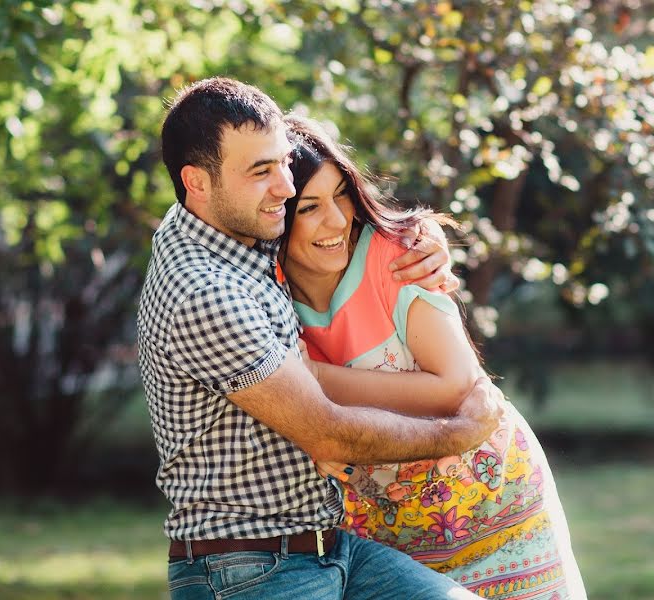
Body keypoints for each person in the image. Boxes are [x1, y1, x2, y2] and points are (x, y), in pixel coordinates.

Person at [138, 76, 504, 599]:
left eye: (283, 161)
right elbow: (329, 435)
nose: (286, 188)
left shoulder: (223, 225)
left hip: (329, 546)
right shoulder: (204, 292)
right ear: (196, 182)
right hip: (247, 568)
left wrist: (423, 236)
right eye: (261, 172)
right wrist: (461, 430)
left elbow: (333, 233)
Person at [279, 115, 587, 599]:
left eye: (341, 193)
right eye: (309, 207)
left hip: (503, 514)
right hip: (393, 546)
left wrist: (314, 376)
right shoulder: (263, 292)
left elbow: (455, 387)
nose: (337, 220)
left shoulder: (395, 255)